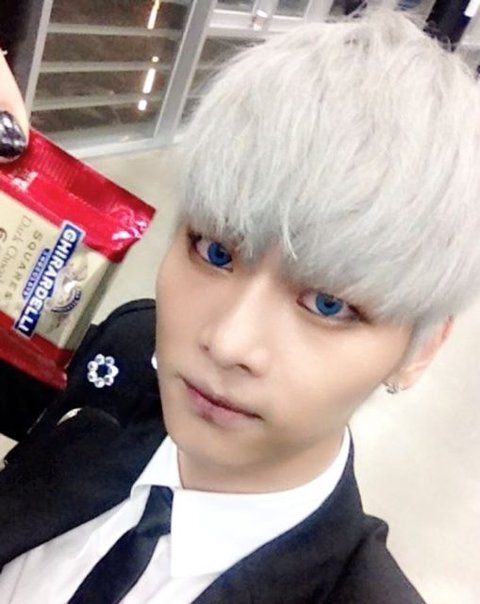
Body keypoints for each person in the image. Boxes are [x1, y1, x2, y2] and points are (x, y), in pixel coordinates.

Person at [0, 5, 478, 602]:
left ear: (420, 350)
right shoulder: (130, 356)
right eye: (216, 251)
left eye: (328, 304)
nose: (227, 343)